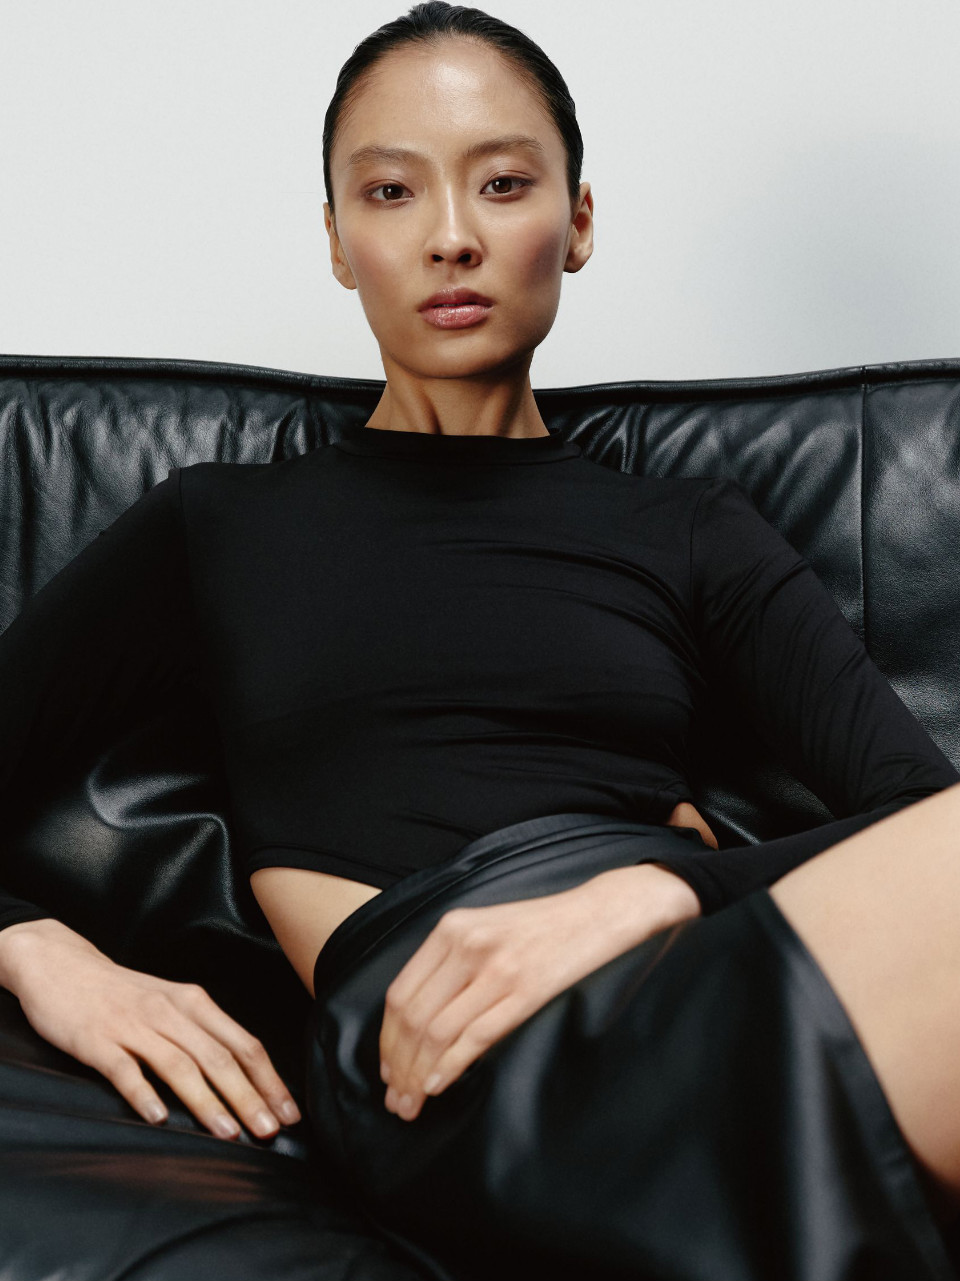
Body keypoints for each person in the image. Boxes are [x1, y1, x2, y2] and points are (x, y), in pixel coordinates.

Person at [1, 3, 959, 1277]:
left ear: (578, 222)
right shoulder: (220, 526)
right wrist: (43, 953)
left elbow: (919, 814)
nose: (451, 236)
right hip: (448, 1040)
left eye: (503, 184)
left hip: (683, 952)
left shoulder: (689, 530)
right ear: (337, 242)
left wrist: (669, 886)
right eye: (391, 192)